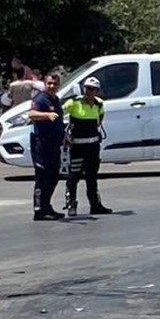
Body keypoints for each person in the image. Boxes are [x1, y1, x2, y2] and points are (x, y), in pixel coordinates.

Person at [62, 76, 111, 216]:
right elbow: (59, 114)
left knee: (92, 177)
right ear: (83, 88)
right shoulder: (73, 102)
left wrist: (96, 125)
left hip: (93, 146)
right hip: (78, 147)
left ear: (97, 90)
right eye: (87, 88)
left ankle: (95, 205)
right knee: (74, 176)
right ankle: (71, 204)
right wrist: (65, 133)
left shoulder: (99, 103)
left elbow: (101, 116)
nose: (89, 91)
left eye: (93, 89)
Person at [28, 73, 67, 220]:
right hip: (41, 144)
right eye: (49, 83)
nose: (52, 86)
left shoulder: (55, 100)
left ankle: (47, 206)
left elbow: (59, 120)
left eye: (55, 84)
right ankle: (39, 210)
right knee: (42, 176)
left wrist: (64, 135)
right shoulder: (40, 98)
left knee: (54, 176)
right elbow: (31, 114)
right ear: (45, 84)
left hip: (54, 143)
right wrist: (47, 115)